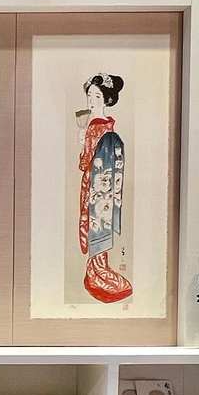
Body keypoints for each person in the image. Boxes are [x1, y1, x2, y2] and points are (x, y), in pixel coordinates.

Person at [77, 74, 131, 302]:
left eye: (97, 96)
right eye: (90, 95)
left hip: (97, 183)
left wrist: (83, 140)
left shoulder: (98, 127)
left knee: (95, 222)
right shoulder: (99, 125)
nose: (92, 100)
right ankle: (97, 271)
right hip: (97, 182)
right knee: (97, 222)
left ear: (107, 99)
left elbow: (84, 163)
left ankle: (98, 274)